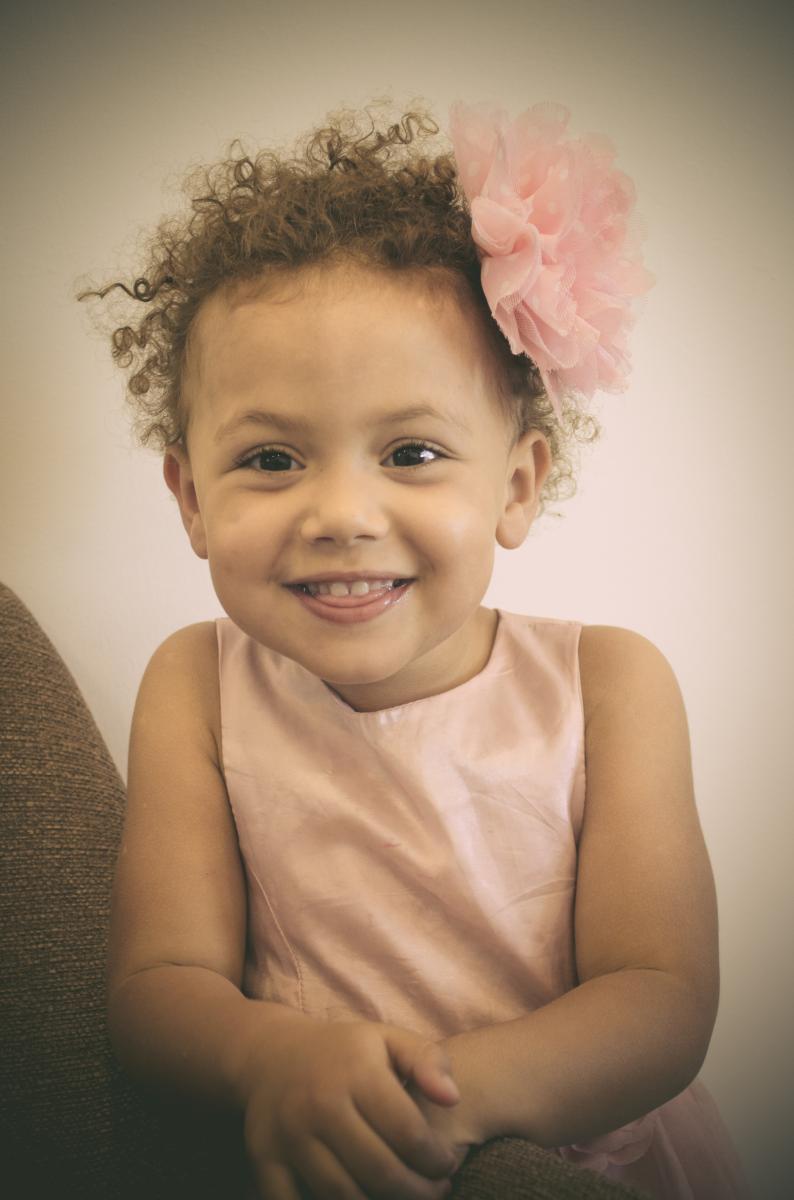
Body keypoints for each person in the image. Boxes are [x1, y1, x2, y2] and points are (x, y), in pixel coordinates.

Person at [78, 99, 752, 1200]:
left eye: (411, 452)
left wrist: (442, 1100)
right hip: (319, 1155)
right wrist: (273, 1059)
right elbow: (159, 983)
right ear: (190, 498)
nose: (342, 514)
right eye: (271, 460)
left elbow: (659, 996)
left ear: (517, 485)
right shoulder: (196, 684)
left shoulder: (610, 683)